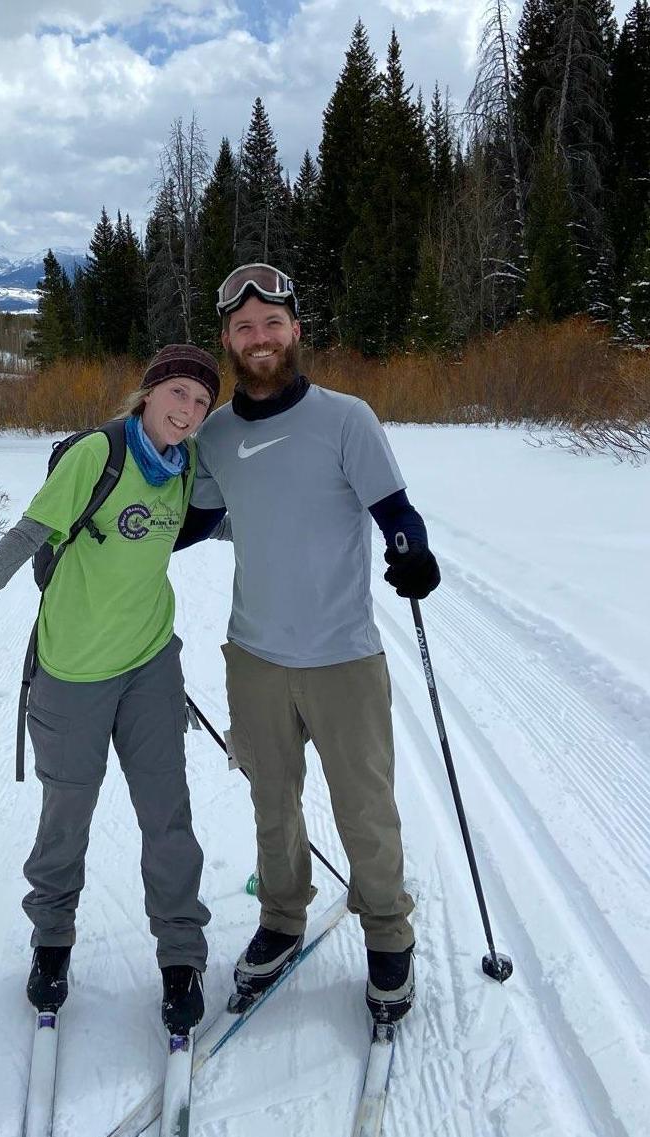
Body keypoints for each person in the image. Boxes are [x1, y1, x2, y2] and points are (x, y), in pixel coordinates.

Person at [0, 344, 221, 1035]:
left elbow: (213, 526)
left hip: (150, 663)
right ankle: (52, 942)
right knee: (67, 815)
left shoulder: (185, 469)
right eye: (177, 393)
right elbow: (31, 530)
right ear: (147, 393)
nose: (186, 412)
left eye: (201, 403)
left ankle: (181, 955)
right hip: (70, 672)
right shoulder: (98, 454)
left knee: (167, 816)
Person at [177, 263, 441, 1023]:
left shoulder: (345, 418)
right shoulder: (217, 434)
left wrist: (409, 551)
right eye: (243, 327)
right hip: (253, 656)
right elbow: (188, 523)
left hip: (341, 658)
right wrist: (109, 487)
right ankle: (282, 918)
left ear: (295, 330)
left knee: (365, 808)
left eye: (271, 323)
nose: (258, 338)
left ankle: (388, 935)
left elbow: (395, 510)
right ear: (227, 339)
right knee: (271, 803)